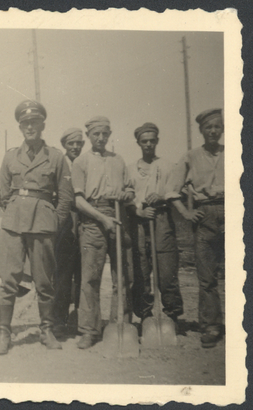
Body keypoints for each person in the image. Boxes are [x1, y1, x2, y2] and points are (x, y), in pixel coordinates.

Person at [0, 100, 73, 355]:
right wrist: (15, 210)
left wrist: (53, 222)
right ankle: (3, 331)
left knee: (44, 281)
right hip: (14, 224)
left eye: (34, 123)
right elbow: (4, 192)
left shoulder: (56, 157)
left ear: (42, 125)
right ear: (20, 126)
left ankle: (46, 329)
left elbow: (66, 197)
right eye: (25, 123)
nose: (30, 127)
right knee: (8, 280)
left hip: (43, 224)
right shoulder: (10, 156)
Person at [71, 116, 135, 349]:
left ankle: (121, 324)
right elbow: (78, 200)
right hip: (93, 218)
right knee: (90, 277)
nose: (101, 138)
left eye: (105, 134)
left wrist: (127, 194)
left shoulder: (118, 160)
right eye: (96, 134)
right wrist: (102, 219)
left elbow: (129, 189)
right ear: (88, 136)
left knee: (123, 276)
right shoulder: (81, 162)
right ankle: (89, 330)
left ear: (109, 135)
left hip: (119, 216)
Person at [166, 108, 224, 348]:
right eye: (208, 127)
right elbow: (171, 190)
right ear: (201, 131)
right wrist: (186, 212)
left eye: (217, 127)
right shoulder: (191, 156)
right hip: (206, 216)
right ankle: (211, 326)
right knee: (207, 277)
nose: (213, 131)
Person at [127, 122, 184, 325]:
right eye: (144, 141)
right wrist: (139, 211)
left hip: (162, 220)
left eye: (152, 140)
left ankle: (171, 315)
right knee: (141, 271)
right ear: (138, 143)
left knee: (167, 272)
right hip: (139, 222)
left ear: (157, 141)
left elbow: (178, 192)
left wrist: (160, 197)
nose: (149, 144)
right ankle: (145, 315)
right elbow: (128, 200)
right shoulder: (131, 169)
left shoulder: (169, 166)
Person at [52, 127, 85, 337]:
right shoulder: (59, 163)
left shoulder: (85, 163)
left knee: (83, 272)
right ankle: (58, 320)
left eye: (78, 144)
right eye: (71, 143)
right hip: (64, 221)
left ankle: (80, 318)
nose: (75, 147)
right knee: (62, 273)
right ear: (64, 145)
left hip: (85, 220)